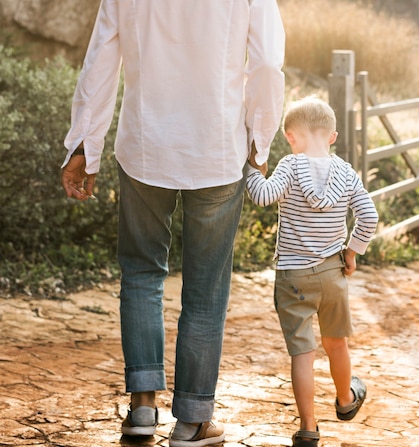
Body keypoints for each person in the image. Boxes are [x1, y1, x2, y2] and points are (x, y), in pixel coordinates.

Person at [60, 1, 285, 445]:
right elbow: (266, 65)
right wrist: (260, 139)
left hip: (145, 147)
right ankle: (193, 420)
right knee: (206, 290)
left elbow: (101, 59)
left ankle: (143, 409)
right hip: (217, 149)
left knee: (141, 274)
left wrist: (85, 145)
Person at [245, 96, 379, 447]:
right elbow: (369, 217)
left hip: (293, 278)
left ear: (290, 136)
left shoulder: (290, 167)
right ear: (333, 136)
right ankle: (346, 401)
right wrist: (352, 250)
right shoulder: (346, 173)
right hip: (333, 273)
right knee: (337, 343)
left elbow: (262, 196)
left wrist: (251, 168)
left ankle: (308, 427)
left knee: (303, 353)